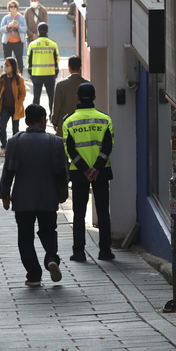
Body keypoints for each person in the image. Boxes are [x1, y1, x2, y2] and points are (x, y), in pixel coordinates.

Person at [0, 104, 68, 286]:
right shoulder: (56, 142)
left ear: (26, 121)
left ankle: (34, 275)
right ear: (44, 120)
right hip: (48, 197)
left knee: (25, 237)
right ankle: (51, 257)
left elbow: (8, 171)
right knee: (48, 230)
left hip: (23, 199)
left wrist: (4, 193)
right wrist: (62, 193)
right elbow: (62, 171)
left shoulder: (14, 141)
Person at [64, 83, 115, 262]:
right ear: (94, 97)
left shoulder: (69, 121)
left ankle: (79, 252)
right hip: (101, 172)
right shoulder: (104, 119)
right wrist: (96, 168)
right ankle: (105, 251)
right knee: (102, 211)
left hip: (79, 173)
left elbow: (69, 149)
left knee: (78, 213)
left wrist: (85, 170)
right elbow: (109, 146)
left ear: (78, 98)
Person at [0, 57, 26, 158]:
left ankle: (14, 149)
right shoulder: (2, 78)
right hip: (4, 107)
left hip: (15, 108)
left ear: (12, 67)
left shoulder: (18, 79)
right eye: (4, 64)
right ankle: (3, 147)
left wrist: (19, 102)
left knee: (15, 129)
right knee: (2, 127)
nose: (5, 67)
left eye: (7, 65)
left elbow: (23, 92)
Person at [51, 55, 88, 138]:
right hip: (83, 123)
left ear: (69, 66)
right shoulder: (87, 84)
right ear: (81, 66)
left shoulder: (61, 84)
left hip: (65, 122)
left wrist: (55, 121)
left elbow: (57, 105)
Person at [27, 22, 60, 114]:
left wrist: (30, 73)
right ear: (47, 31)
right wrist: (56, 73)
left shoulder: (32, 44)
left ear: (38, 32)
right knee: (51, 97)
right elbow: (57, 59)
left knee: (36, 97)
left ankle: (36, 116)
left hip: (37, 74)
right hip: (50, 74)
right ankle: (52, 116)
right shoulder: (53, 44)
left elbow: (29, 60)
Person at [0, 0, 27, 74]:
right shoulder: (6, 18)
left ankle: (20, 75)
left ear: (17, 8)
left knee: (19, 59)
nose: (13, 8)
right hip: (7, 42)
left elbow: (25, 29)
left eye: (14, 6)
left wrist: (18, 27)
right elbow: (1, 28)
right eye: (11, 6)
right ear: (9, 8)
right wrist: (8, 27)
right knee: (7, 60)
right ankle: (7, 74)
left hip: (18, 42)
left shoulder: (21, 17)